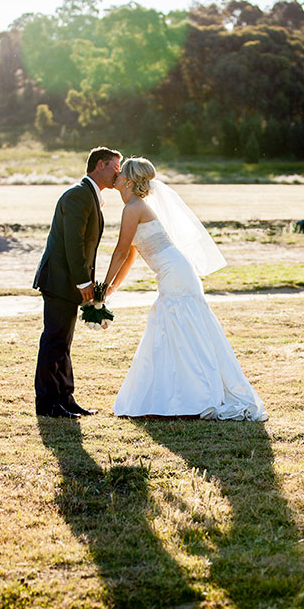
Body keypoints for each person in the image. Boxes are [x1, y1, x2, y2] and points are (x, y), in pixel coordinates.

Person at [103, 157, 267, 421]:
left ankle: (195, 397)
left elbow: (121, 250)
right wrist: (110, 289)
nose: (117, 175)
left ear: (130, 182)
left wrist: (101, 287)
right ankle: (178, 395)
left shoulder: (133, 207)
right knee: (174, 329)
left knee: (178, 328)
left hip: (175, 273)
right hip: (174, 271)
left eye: (122, 174)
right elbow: (131, 255)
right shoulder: (135, 207)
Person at [33, 146, 121, 418]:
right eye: (115, 167)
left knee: (63, 341)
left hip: (68, 280)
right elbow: (74, 243)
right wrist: (84, 282)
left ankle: (65, 399)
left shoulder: (89, 195)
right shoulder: (78, 195)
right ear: (99, 165)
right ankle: (48, 404)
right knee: (54, 340)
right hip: (60, 280)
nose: (118, 172)